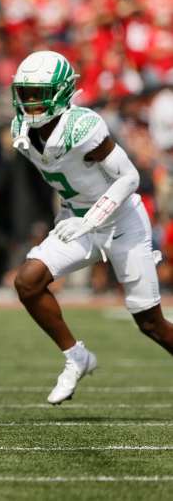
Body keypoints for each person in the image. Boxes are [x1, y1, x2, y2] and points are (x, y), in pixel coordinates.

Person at [11, 51, 173, 405]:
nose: (30, 102)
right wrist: (71, 219)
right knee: (28, 281)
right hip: (75, 221)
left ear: (61, 92)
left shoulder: (83, 127)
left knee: (150, 324)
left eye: (38, 93)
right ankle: (76, 356)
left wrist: (93, 218)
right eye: (25, 93)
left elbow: (130, 177)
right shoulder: (20, 129)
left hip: (121, 221)